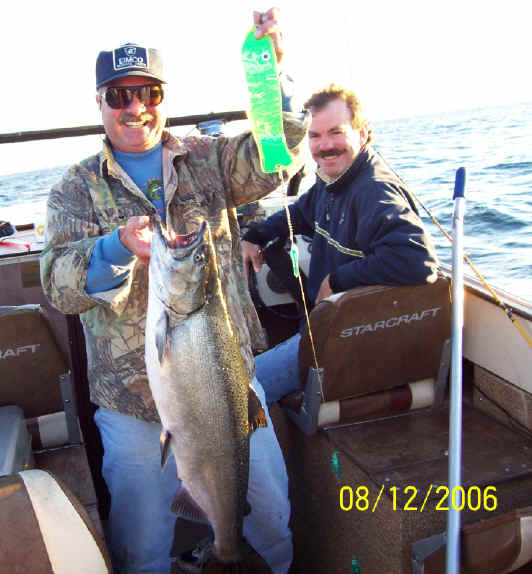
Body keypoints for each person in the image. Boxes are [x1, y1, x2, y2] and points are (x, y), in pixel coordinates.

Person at [39, 8, 309, 574]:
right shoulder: (75, 189)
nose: (136, 107)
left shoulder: (208, 159)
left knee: (271, 520)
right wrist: (116, 247)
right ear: (100, 102)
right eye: (120, 95)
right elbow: (58, 283)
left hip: (229, 392)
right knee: (142, 549)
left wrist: (270, 75)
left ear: (163, 97)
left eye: (149, 92)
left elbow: (276, 156)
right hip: (130, 406)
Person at [241, 84, 439, 403]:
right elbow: (299, 213)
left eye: (336, 132)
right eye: (315, 136)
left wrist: (338, 280)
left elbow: (417, 260)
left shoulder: (373, 191)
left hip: (352, 340)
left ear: (362, 133)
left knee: (241, 392)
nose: (325, 146)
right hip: (326, 325)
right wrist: (255, 235)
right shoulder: (332, 182)